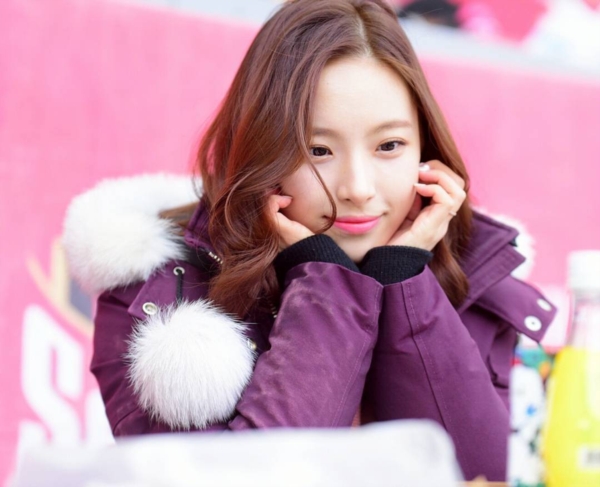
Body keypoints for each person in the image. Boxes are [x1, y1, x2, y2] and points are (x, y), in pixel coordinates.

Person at [62, 0, 556, 481]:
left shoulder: (474, 280)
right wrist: (328, 282)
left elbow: (483, 474)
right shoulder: (157, 297)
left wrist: (403, 277)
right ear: (263, 153)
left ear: (425, 151)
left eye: (389, 146)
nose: (358, 188)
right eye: (317, 150)